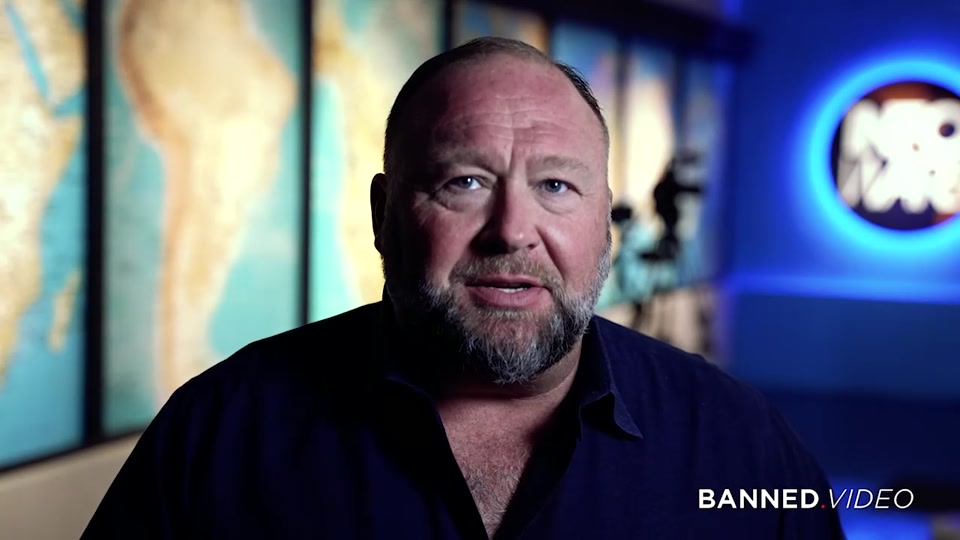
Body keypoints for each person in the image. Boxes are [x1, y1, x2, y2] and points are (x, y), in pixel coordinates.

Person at [82, 37, 844, 539]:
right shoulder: (219, 435)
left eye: (556, 186)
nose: (511, 231)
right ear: (384, 215)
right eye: (465, 182)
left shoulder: (740, 446)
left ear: (603, 227)